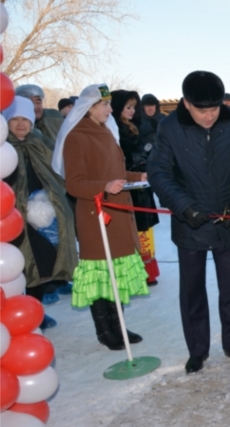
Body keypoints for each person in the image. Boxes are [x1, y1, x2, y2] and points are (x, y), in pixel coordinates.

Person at [148, 71, 230, 374]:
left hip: (228, 220)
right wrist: (184, 207)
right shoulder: (170, 127)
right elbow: (159, 172)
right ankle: (197, 350)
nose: (210, 115)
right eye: (203, 109)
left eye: (215, 108)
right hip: (190, 222)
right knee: (192, 291)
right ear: (186, 103)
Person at [52, 83, 149, 350]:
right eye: (105, 105)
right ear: (90, 107)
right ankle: (104, 331)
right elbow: (74, 183)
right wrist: (103, 187)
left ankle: (119, 327)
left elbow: (113, 171)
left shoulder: (107, 131)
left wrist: (137, 176)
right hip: (96, 216)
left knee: (115, 276)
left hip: (118, 215)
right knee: (100, 275)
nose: (110, 109)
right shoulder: (77, 137)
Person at [2, 97, 77, 330]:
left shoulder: (40, 141)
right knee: (23, 266)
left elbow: (59, 170)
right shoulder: (4, 148)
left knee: (46, 266)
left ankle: (34, 311)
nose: (21, 124)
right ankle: (21, 314)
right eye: (15, 119)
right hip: (15, 217)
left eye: (25, 119)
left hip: (47, 215)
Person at [110, 90, 161, 286]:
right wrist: (140, 160)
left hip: (142, 184)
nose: (132, 111)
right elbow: (123, 159)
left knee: (145, 230)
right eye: (127, 107)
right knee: (135, 230)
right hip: (129, 186)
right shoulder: (115, 129)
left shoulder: (135, 125)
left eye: (133, 107)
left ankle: (148, 271)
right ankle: (138, 272)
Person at [15, 84, 63, 149]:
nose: (35, 107)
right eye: (30, 103)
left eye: (38, 102)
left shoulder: (55, 118)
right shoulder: (16, 127)